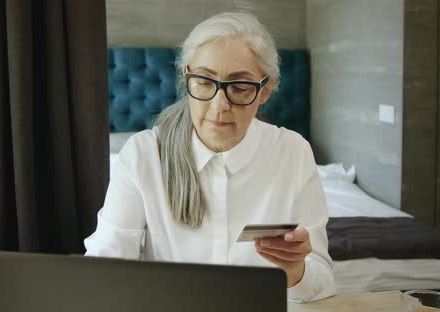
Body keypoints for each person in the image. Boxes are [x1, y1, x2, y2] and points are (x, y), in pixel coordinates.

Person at [84, 12, 336, 302]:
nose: (219, 106)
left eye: (240, 87)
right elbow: (106, 262)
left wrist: (296, 271)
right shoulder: (143, 154)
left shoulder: (293, 152)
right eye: (204, 82)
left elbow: (323, 282)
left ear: (265, 90)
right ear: (187, 77)